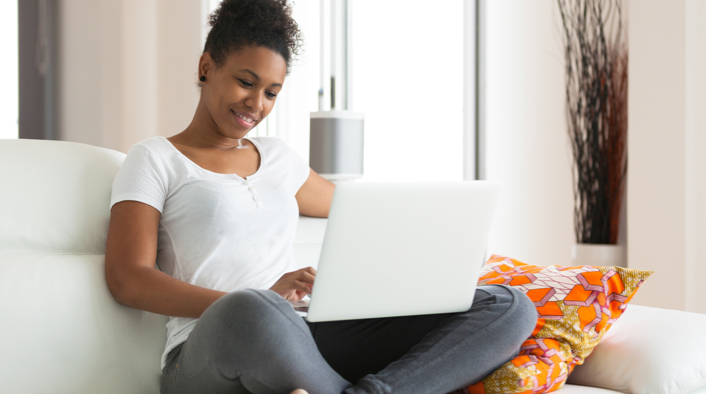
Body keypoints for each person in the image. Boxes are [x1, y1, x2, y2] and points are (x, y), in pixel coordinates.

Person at [104, 1, 537, 393]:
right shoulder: (155, 158)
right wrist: (260, 298)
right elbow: (128, 277)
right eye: (245, 82)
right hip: (210, 348)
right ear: (206, 66)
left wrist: (445, 243)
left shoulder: (279, 159)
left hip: (300, 334)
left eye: (272, 92)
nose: (257, 103)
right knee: (252, 311)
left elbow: (363, 217)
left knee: (508, 305)